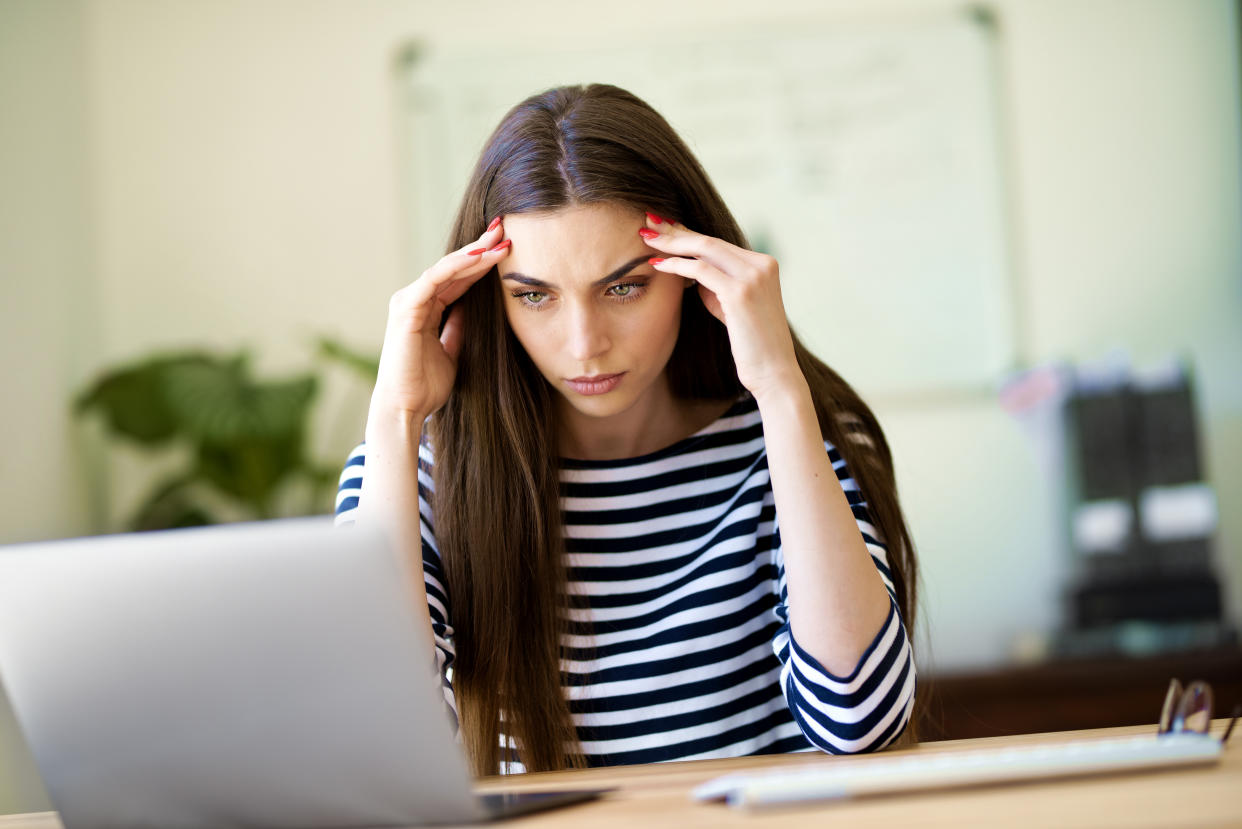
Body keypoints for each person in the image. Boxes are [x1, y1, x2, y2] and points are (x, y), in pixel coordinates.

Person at [335, 83, 918, 776]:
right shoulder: (417, 469)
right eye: (534, 295)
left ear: (695, 274)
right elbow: (379, 739)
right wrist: (397, 416)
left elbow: (861, 722)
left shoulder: (789, 438)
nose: (584, 345)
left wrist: (782, 390)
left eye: (623, 287)